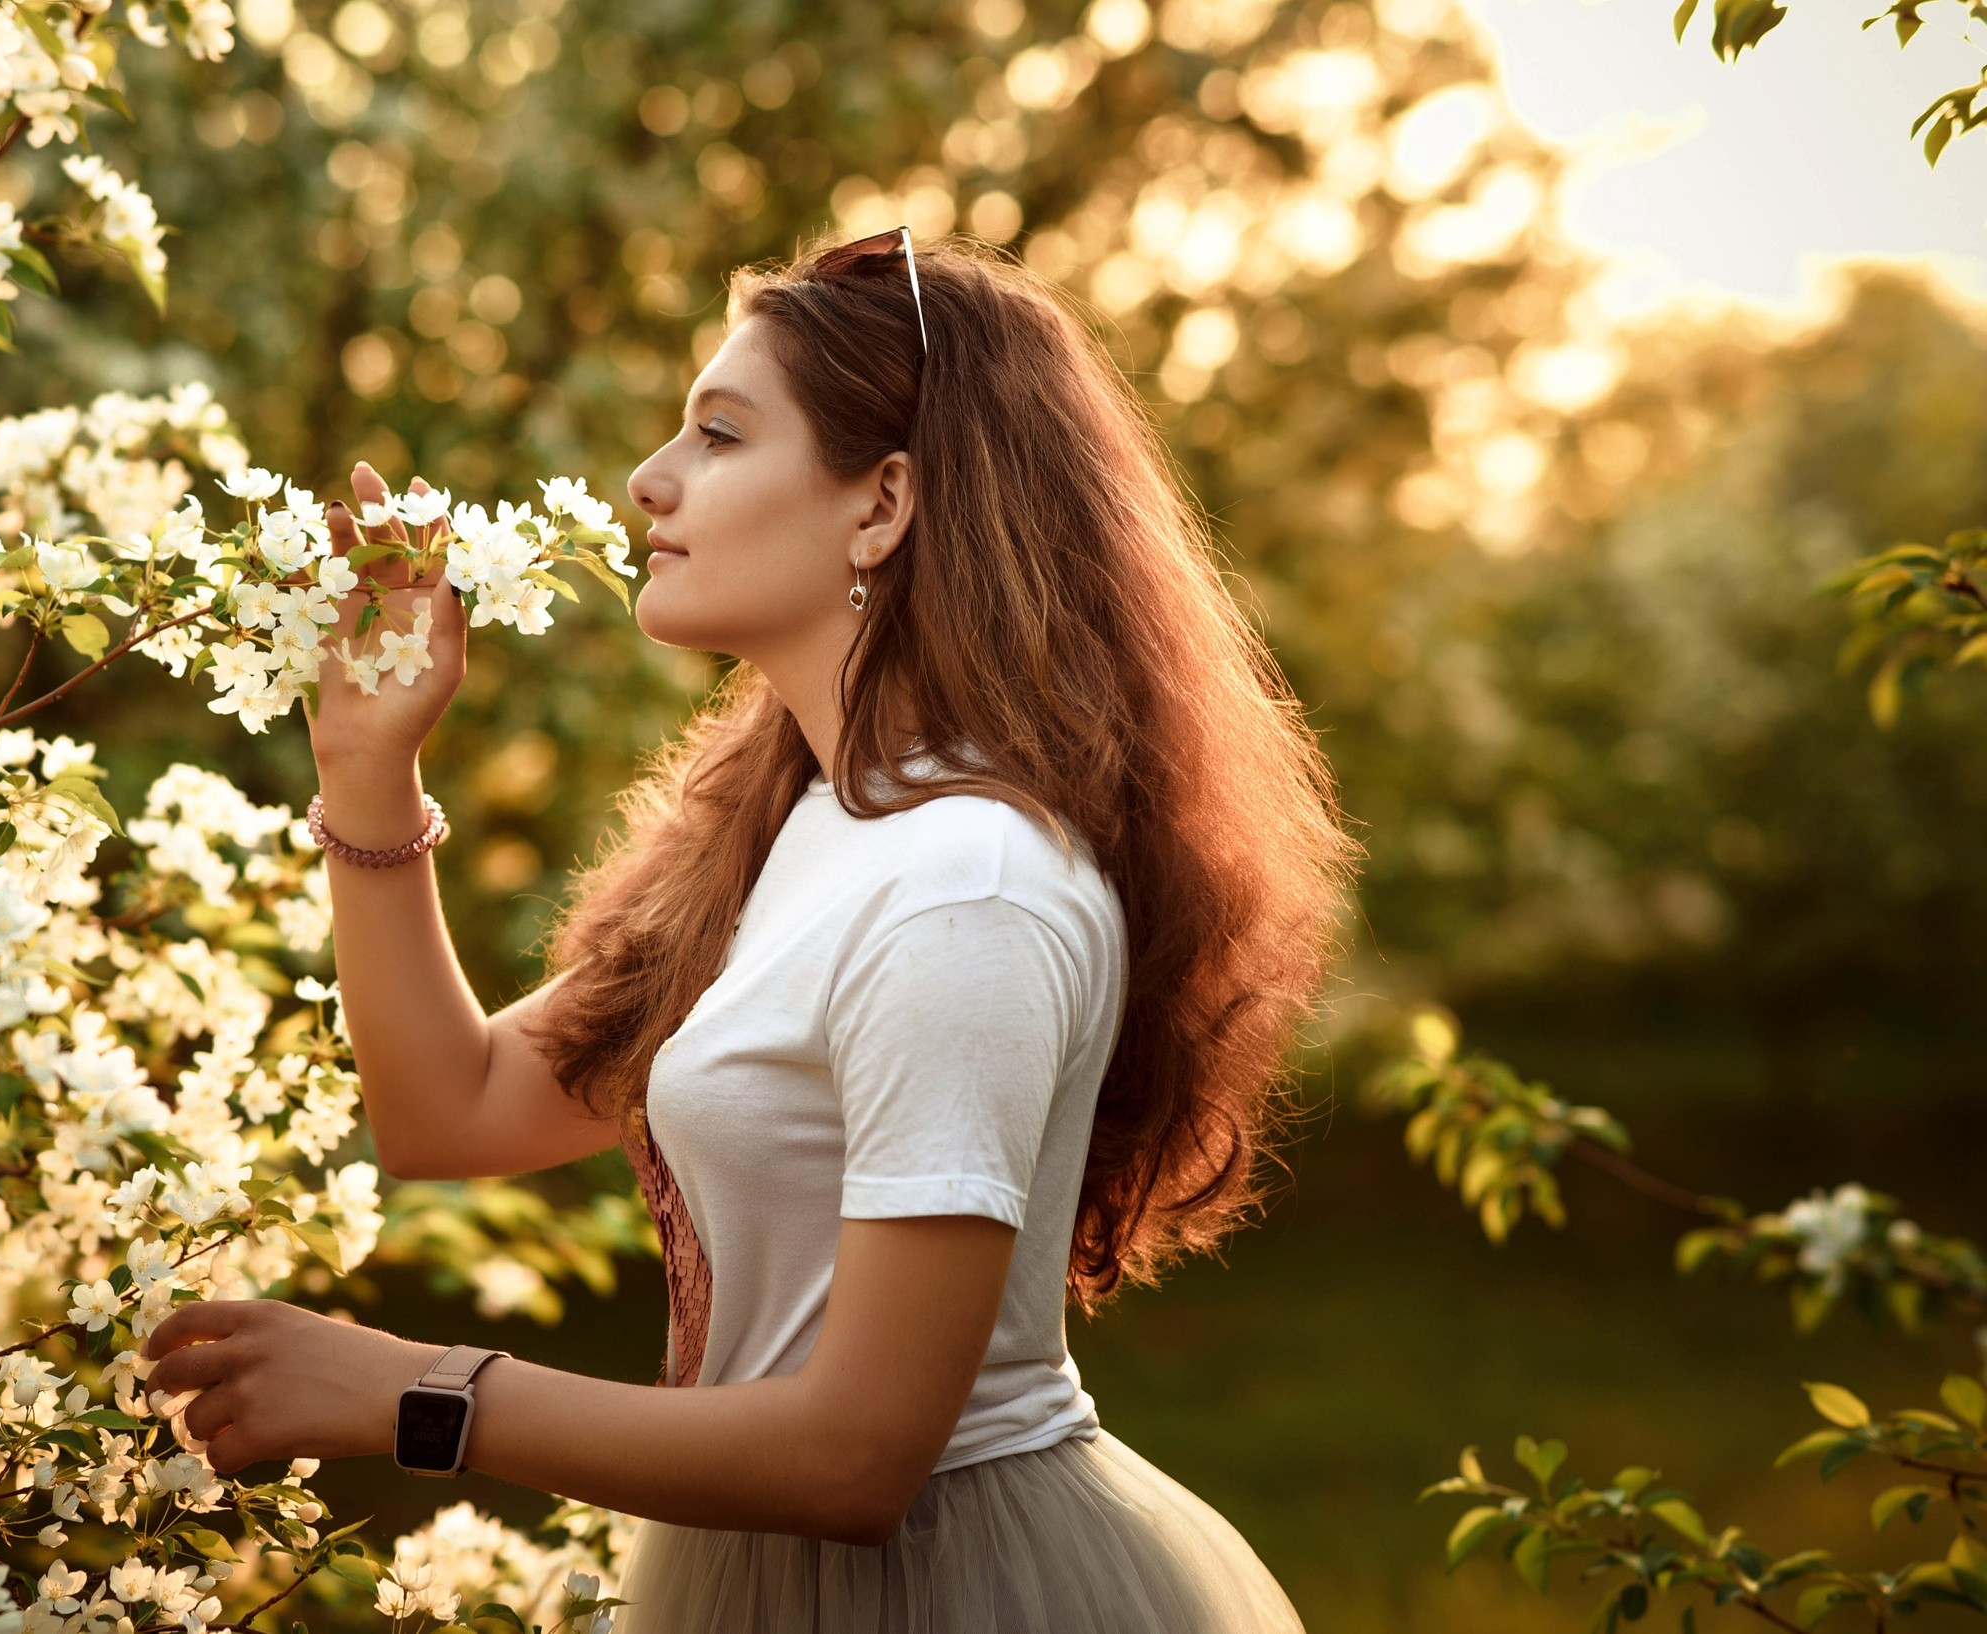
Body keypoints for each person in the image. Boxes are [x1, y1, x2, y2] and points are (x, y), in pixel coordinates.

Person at [138, 234, 1355, 1632]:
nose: (649, 479)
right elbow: (449, 1110)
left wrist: (418, 1393)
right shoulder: (799, 824)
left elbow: (857, 1456)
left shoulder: (967, 886)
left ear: (883, 501)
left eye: (718, 434)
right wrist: (367, 763)